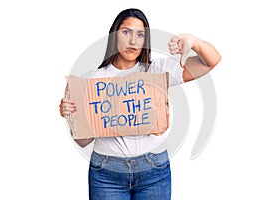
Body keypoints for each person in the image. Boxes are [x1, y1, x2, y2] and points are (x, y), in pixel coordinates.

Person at [59, 8, 221, 200]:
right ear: (114, 36)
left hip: (153, 172)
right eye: (126, 32)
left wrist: (193, 41)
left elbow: (211, 61)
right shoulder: (92, 81)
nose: (133, 41)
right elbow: (83, 141)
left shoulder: (157, 71)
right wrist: (73, 119)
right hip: (106, 174)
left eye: (140, 34)